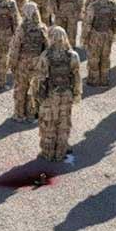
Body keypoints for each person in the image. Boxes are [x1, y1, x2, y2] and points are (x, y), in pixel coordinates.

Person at [35, 26, 82, 162]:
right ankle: (60, 151)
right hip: (66, 93)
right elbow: (76, 76)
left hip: (51, 93)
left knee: (49, 122)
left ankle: (48, 153)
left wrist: (38, 95)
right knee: (64, 122)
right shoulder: (73, 55)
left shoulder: (46, 55)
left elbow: (40, 77)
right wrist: (76, 93)